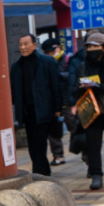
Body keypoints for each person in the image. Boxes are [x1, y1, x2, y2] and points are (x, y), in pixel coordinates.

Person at [10, 33, 62, 176]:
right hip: (27, 112)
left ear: (34, 45)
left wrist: (58, 109)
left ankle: (39, 173)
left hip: (44, 110)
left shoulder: (47, 62)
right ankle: (42, 172)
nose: (23, 47)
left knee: (39, 144)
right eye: (20, 44)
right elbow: (13, 91)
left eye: (26, 44)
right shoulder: (16, 66)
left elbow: (56, 86)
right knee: (32, 146)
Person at [67, 31, 104, 190]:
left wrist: (100, 87)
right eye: (89, 47)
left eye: (95, 46)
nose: (92, 50)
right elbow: (73, 89)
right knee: (93, 145)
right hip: (91, 111)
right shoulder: (83, 65)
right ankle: (96, 175)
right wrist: (81, 88)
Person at [41, 38, 74, 166]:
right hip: (54, 104)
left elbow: (72, 76)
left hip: (68, 102)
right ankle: (58, 156)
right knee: (54, 132)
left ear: (58, 48)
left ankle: (85, 152)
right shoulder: (45, 63)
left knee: (76, 129)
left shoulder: (68, 60)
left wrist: (57, 75)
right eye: (47, 52)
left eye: (52, 51)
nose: (50, 54)